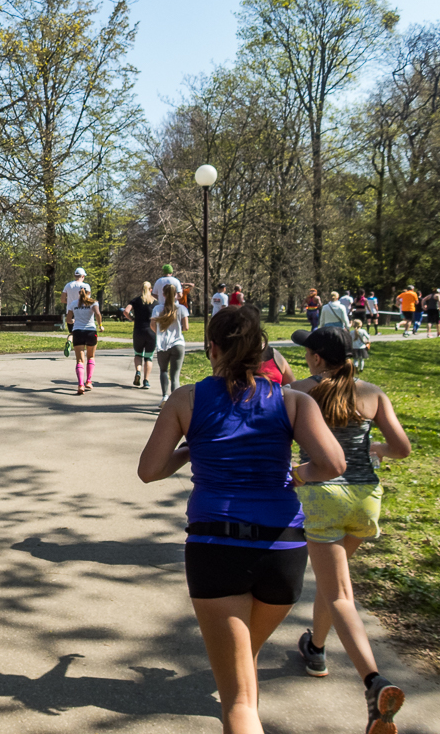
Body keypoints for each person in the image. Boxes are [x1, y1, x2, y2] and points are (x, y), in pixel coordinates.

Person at [138, 308, 345, 734]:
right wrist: (297, 474)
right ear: (261, 349)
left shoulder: (186, 400)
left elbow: (150, 470)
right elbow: (334, 463)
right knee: (243, 661)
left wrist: (193, 447)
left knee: (238, 705)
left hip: (217, 548)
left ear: (210, 348)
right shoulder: (293, 401)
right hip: (283, 551)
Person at [289, 327, 411, 734]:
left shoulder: (303, 391)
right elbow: (402, 448)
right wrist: (376, 449)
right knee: (333, 582)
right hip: (364, 499)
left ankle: (374, 684)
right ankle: (317, 650)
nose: (306, 358)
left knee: (339, 592)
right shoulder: (373, 393)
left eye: (308, 352)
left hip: (322, 495)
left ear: (319, 358)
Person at [151, 283, 189, 404]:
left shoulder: (157, 309)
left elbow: (152, 325)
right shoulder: (182, 309)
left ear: (163, 294)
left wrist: (159, 333)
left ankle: (164, 396)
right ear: (177, 294)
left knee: (163, 371)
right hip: (178, 343)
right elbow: (186, 327)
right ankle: (175, 401)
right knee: (175, 375)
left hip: (162, 344)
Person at [67, 288, 102, 395]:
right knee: (91, 356)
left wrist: (73, 320)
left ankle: (80, 384)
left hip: (78, 331)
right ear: (89, 293)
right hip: (91, 331)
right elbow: (97, 314)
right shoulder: (93, 302)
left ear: (79, 293)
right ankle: (89, 381)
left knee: (79, 360)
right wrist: (100, 325)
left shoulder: (73, 304)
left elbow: (68, 319)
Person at [123, 282, 157, 389]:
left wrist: (132, 319)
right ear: (151, 290)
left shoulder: (136, 301)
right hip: (151, 332)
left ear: (141, 289)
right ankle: (146, 380)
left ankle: (138, 371)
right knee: (148, 357)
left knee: (138, 354)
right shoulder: (155, 303)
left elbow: (126, 311)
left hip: (138, 331)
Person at [62, 268, 90, 356]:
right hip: (82, 312)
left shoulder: (68, 285)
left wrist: (70, 302)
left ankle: (69, 341)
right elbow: (87, 300)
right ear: (82, 276)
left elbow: (62, 299)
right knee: (82, 332)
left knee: (72, 333)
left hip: (70, 311)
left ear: (75, 276)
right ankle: (81, 352)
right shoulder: (86, 286)